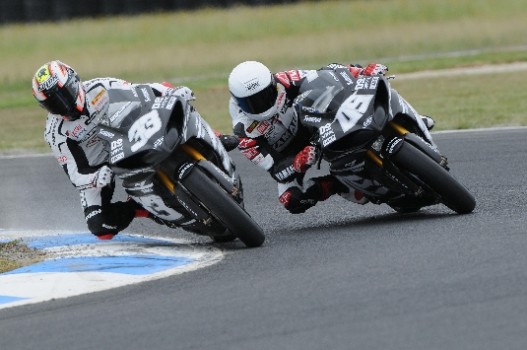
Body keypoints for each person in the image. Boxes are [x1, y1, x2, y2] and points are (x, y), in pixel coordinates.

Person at [32, 60, 238, 240]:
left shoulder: (100, 87)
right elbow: (75, 173)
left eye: (64, 94)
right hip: (103, 166)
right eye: (53, 103)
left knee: (180, 103)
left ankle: (215, 136)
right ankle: (143, 207)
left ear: (74, 81)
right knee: (100, 226)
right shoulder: (56, 132)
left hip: (129, 130)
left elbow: (144, 90)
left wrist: (171, 91)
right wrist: (95, 177)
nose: (63, 104)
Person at [228, 60, 435, 214]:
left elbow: (330, 74)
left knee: (373, 89)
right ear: (238, 102)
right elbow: (276, 170)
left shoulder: (287, 79)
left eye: (265, 95)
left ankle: (406, 120)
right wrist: (297, 163)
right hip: (293, 155)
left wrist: (361, 72)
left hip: (317, 124)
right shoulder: (244, 133)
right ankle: (339, 184)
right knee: (292, 200)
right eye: (252, 102)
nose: (262, 104)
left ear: (273, 83)